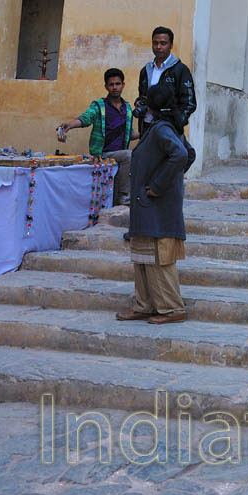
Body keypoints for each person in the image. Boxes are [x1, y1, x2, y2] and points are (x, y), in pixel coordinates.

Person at [117, 82, 194, 324]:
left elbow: (182, 155)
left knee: (159, 259)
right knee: (143, 257)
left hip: (156, 204)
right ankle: (144, 305)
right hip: (147, 205)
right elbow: (189, 154)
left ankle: (171, 309)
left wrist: (161, 185)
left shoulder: (162, 129)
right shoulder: (162, 127)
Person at [56, 68, 136, 205]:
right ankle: (124, 195)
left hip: (119, 153)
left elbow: (130, 134)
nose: (115, 87)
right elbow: (85, 118)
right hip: (101, 153)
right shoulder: (99, 106)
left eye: (118, 84)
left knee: (137, 154)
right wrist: (70, 125)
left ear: (123, 85)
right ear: (106, 86)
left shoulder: (127, 109)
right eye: (111, 84)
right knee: (129, 155)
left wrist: (149, 131)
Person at [137, 27, 196, 137]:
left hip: (168, 129)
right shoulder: (146, 70)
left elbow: (189, 103)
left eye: (163, 43)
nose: (158, 47)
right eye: (155, 43)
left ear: (171, 45)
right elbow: (142, 96)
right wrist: (140, 103)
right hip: (146, 126)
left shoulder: (180, 70)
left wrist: (176, 122)